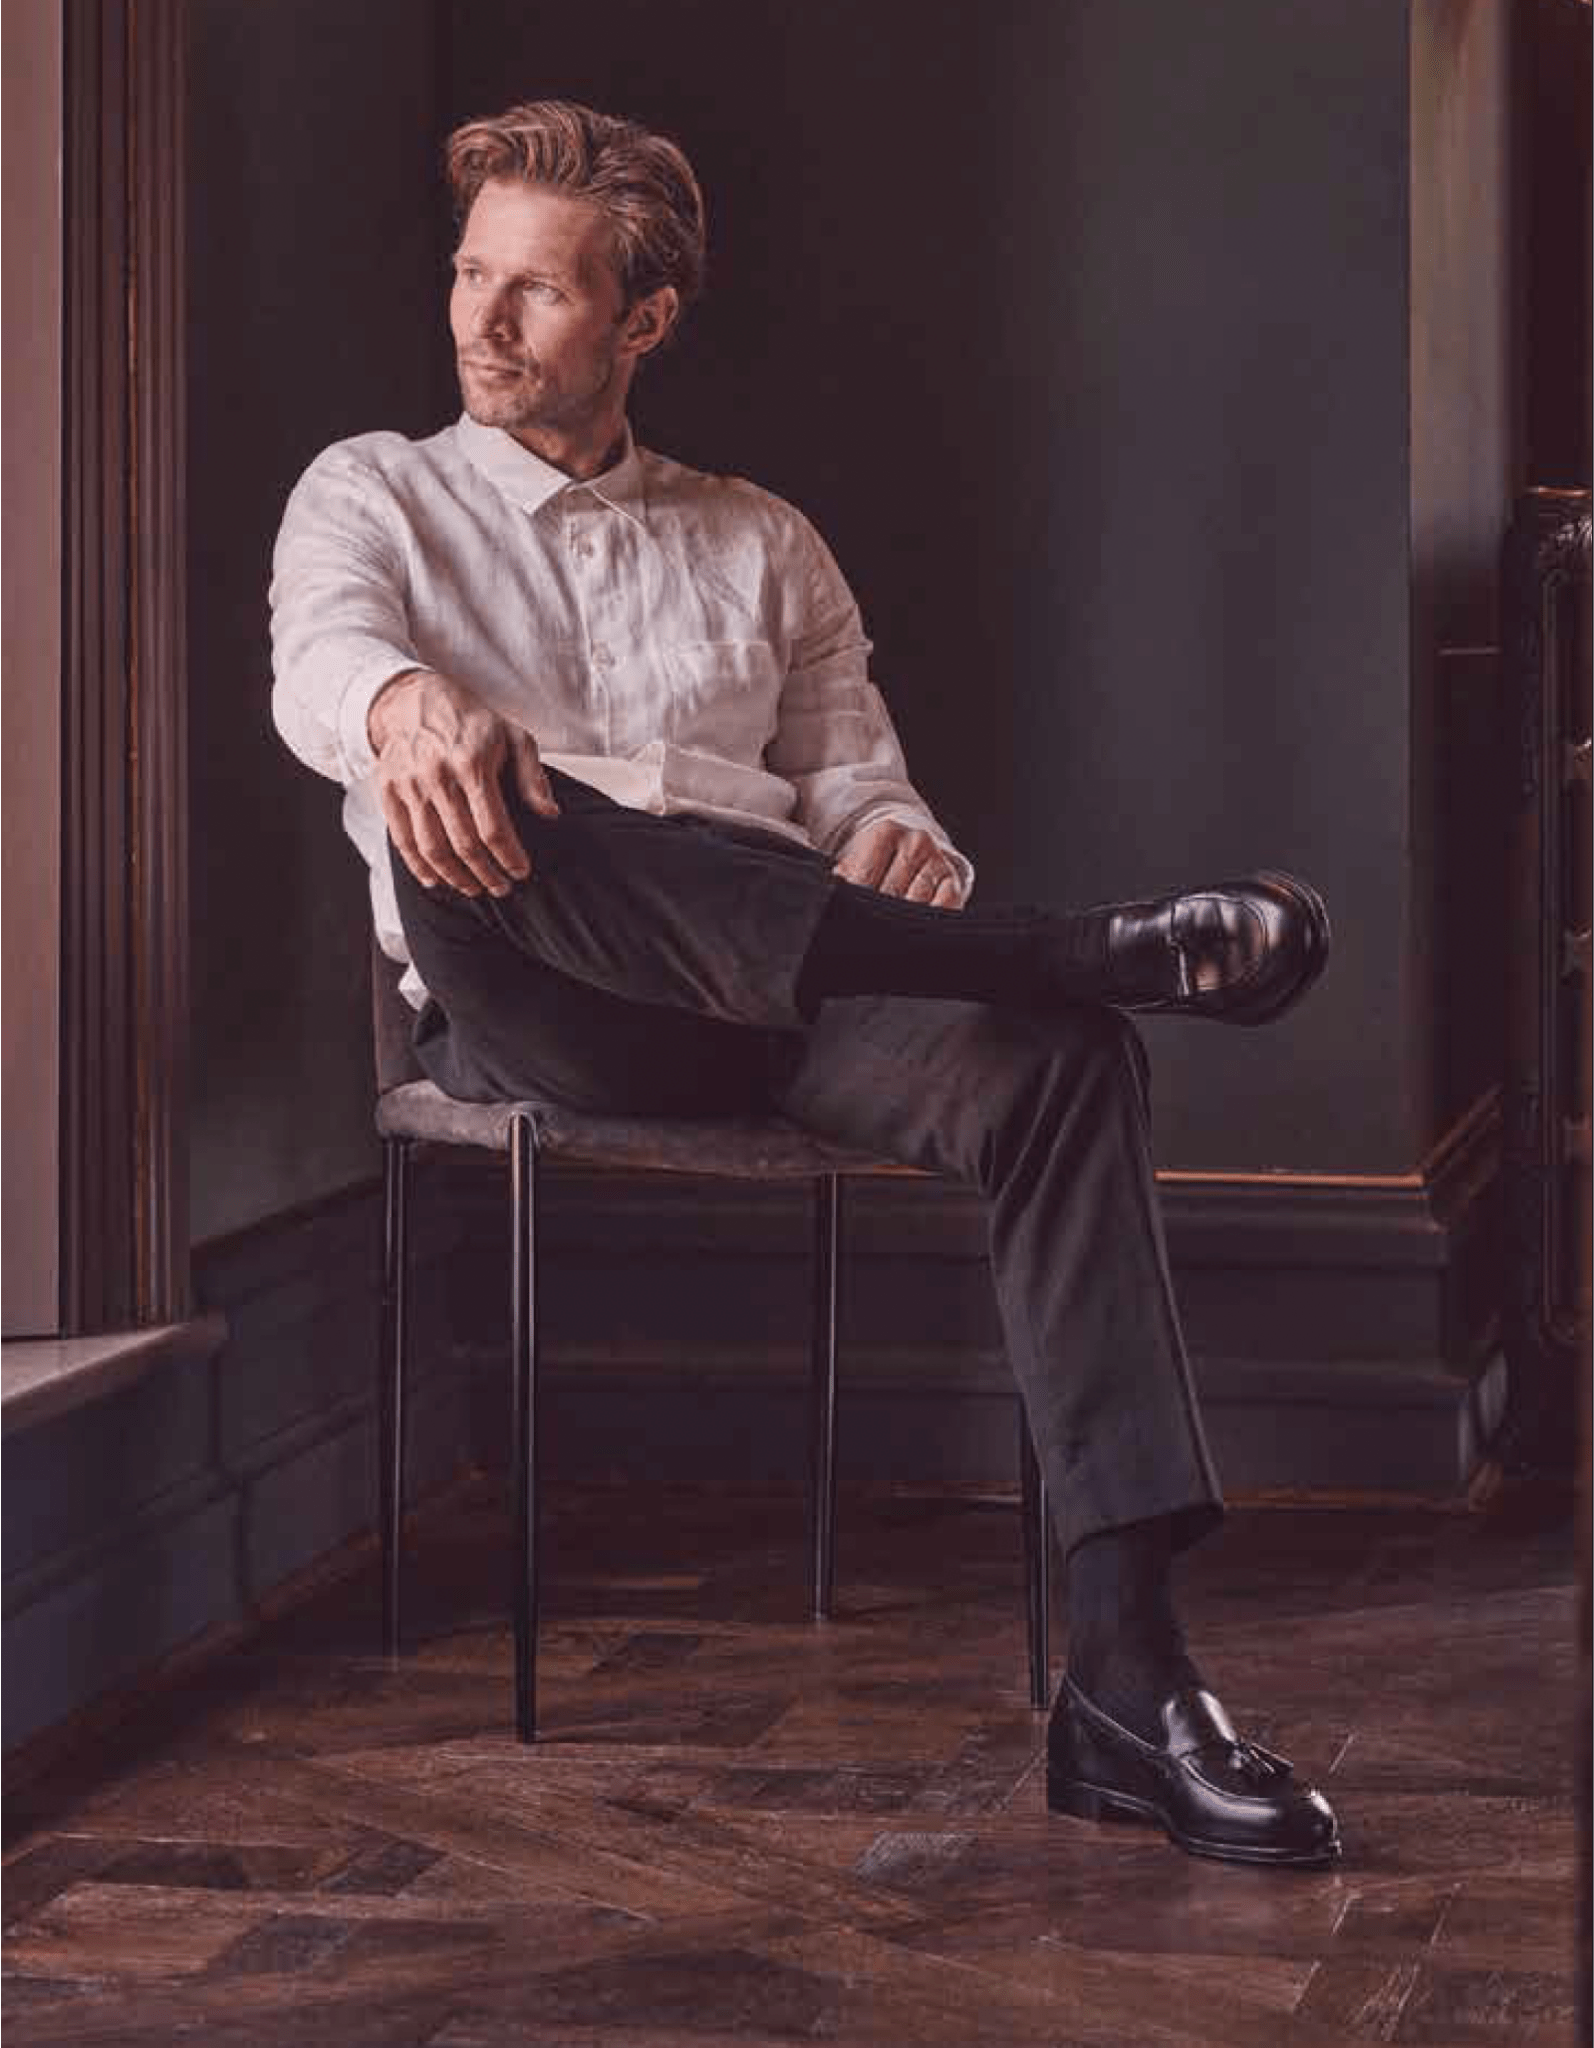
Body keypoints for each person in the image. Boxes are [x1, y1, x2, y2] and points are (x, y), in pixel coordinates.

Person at [271, 98, 1340, 1868]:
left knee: (1060, 1060)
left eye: (537, 291)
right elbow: (323, 654)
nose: (481, 318)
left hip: (789, 988)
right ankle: (1070, 951)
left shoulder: (763, 538)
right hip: (533, 990)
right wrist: (402, 706)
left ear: (644, 317)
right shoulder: (372, 488)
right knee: (498, 803)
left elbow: (852, 784)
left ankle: (1130, 1687)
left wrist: (894, 840)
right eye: (472, 275)